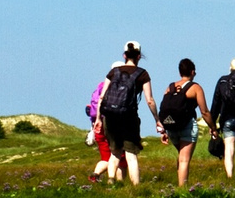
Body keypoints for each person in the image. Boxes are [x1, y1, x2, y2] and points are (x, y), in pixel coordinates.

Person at [95, 41, 158, 186]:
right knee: (131, 155)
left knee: (115, 152)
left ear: (124, 55)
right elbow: (150, 101)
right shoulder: (142, 74)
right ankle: (136, 188)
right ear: (139, 56)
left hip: (110, 116)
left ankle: (111, 183)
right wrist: (157, 119)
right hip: (129, 118)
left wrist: (99, 118)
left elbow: (102, 96)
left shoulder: (113, 72)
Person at [158, 58, 212, 187]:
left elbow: (165, 109)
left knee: (181, 157)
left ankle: (180, 186)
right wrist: (213, 128)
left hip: (171, 128)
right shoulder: (195, 88)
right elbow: (204, 111)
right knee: (184, 160)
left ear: (180, 72)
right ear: (192, 72)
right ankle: (183, 190)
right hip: (187, 126)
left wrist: (163, 130)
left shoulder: (170, 87)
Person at [85, 77, 115, 182]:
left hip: (98, 128)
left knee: (105, 158)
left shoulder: (99, 88)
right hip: (112, 125)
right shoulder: (117, 88)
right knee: (119, 158)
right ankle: (114, 181)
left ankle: (96, 174)